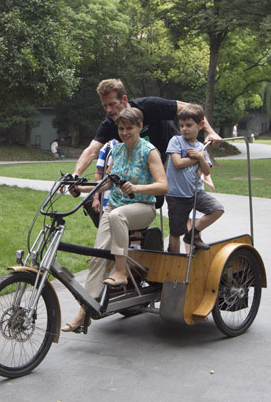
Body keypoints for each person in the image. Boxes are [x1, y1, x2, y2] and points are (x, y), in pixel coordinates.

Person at [62, 108, 168, 333]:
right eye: (121, 128)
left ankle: (120, 271)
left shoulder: (149, 152)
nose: (125, 132)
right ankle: (85, 311)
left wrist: (137, 187)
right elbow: (106, 183)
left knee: (117, 215)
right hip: (115, 207)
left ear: (140, 126)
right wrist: (80, 188)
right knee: (98, 256)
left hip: (142, 207)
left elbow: (163, 185)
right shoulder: (117, 150)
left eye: (130, 128)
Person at [70, 79, 222, 182]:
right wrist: (76, 174)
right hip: (145, 160)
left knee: (177, 195)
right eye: (105, 106)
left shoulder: (149, 105)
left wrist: (210, 132)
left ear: (124, 99)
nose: (109, 110)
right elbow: (91, 151)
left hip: (171, 152)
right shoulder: (110, 123)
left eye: (112, 104)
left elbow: (188, 108)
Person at [165, 104, 224, 253]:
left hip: (196, 192)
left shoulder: (201, 147)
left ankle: (193, 234)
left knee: (217, 209)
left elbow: (206, 171)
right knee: (175, 231)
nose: (184, 128)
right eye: (182, 125)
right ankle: (174, 261)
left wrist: (201, 158)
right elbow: (178, 163)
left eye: (189, 125)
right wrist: (197, 158)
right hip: (176, 195)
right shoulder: (176, 141)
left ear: (200, 125)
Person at [92, 139, 119, 212]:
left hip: (130, 201)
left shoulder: (138, 147)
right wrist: (96, 198)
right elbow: (98, 173)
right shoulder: (107, 147)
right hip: (107, 200)